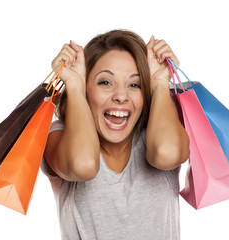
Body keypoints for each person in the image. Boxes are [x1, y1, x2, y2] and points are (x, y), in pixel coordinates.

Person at [42, 29, 190, 240]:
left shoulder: (160, 132)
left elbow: (167, 153)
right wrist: (74, 85)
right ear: (86, 87)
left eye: (135, 84)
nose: (121, 96)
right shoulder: (60, 135)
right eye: (105, 82)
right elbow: (82, 164)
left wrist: (159, 82)